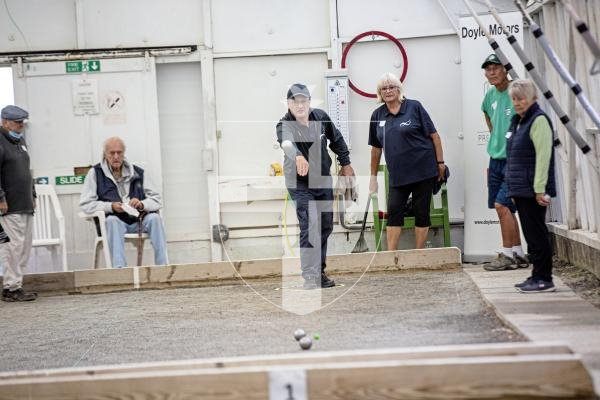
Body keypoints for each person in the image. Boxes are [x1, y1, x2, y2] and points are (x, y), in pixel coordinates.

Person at [276, 83, 355, 290]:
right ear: (288, 104)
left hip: (322, 180)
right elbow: (286, 144)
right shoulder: (284, 124)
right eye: (295, 101)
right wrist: (299, 156)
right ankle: (310, 276)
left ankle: (318, 270)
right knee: (310, 224)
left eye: (304, 101)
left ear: (309, 102)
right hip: (299, 184)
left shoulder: (320, 117)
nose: (300, 105)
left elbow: (336, 140)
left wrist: (346, 164)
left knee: (325, 225)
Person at [368, 72, 446, 250]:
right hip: (398, 174)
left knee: (421, 212)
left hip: (423, 170)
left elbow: (435, 136)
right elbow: (375, 149)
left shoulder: (414, 107)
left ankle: (418, 254)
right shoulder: (377, 115)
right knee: (394, 212)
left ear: (399, 89)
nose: (388, 91)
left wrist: (440, 163)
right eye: (384, 88)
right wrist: (373, 177)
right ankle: (391, 254)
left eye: (391, 87)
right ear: (380, 93)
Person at [80, 137, 168, 268]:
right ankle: (119, 269)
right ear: (105, 154)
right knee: (112, 221)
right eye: (112, 153)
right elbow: (86, 204)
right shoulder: (95, 173)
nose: (116, 156)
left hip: (138, 221)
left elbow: (156, 199)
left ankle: (163, 266)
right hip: (115, 223)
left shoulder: (139, 172)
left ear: (124, 153)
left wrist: (142, 204)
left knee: (155, 218)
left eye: (119, 152)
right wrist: (110, 207)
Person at [506, 79, 556, 293]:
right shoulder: (518, 120)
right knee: (531, 236)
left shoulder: (539, 120)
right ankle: (537, 275)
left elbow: (544, 157)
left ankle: (544, 278)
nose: (517, 102)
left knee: (537, 234)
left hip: (533, 189)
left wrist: (539, 189)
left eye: (521, 98)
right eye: (514, 99)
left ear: (533, 97)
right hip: (521, 188)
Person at [480, 54, 529, 271]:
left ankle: (507, 255)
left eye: (495, 68)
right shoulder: (489, 96)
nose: (491, 73)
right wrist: (496, 141)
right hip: (496, 159)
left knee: (502, 206)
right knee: (504, 208)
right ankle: (518, 253)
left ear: (505, 70)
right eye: (487, 69)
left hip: (513, 159)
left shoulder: (515, 94)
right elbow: (488, 117)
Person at [0, 105, 38, 302]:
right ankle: (10, 287)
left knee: (24, 246)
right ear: (5, 122)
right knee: (12, 247)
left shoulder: (20, 141)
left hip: (25, 204)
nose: (20, 126)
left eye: (22, 123)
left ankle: (18, 284)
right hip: (9, 206)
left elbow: (27, 171)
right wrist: (1, 199)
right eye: (17, 123)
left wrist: (33, 194)